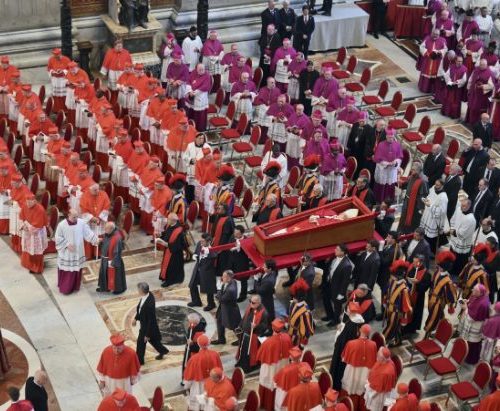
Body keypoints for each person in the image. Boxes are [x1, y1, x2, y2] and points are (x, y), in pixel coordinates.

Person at [55, 208, 98, 294]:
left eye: (77, 216)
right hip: (67, 252)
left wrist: (95, 239)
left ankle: (75, 286)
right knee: (67, 269)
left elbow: (88, 233)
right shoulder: (62, 225)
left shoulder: (81, 223)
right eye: (74, 217)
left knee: (76, 268)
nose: (76, 219)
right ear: (69, 215)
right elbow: (57, 237)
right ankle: (65, 288)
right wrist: (66, 244)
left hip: (78, 250)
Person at [256, 318, 293, 411]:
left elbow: (260, 357)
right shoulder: (287, 337)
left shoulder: (267, 342)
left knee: (268, 379)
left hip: (271, 367)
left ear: (272, 328)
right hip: (283, 366)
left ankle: (268, 404)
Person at [329, 301, 367, 390]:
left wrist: (339, 331)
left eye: (348, 309)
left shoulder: (351, 324)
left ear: (351, 312)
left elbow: (341, 340)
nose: (347, 311)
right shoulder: (361, 322)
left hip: (346, 353)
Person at [183, 334, 223, 411]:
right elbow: (220, 371)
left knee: (199, 405)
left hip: (198, 386)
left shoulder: (194, 359)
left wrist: (187, 386)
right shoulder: (215, 354)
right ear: (209, 343)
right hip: (213, 384)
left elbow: (189, 377)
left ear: (198, 344)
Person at [133, 282, 169, 365]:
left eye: (138, 289)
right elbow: (140, 309)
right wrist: (136, 318)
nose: (137, 291)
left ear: (141, 291)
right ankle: (163, 351)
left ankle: (139, 361)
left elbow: (151, 320)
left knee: (140, 343)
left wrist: (147, 334)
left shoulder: (149, 304)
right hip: (145, 324)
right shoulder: (148, 295)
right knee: (154, 341)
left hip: (147, 327)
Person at [341, 324, 377, 405]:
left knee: (351, 381)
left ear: (360, 330)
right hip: (365, 371)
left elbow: (344, 359)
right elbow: (374, 360)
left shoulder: (351, 343)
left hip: (353, 369)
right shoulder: (373, 344)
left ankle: (351, 392)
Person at [424, 250, 457, 336]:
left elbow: (450, 295)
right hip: (431, 297)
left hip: (438, 302)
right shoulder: (437, 272)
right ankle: (440, 327)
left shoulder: (447, 280)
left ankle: (430, 331)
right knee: (437, 315)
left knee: (433, 317)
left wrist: (450, 306)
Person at [236, 294, 269, 373]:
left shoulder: (264, 313)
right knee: (243, 349)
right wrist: (240, 326)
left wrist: (256, 326)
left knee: (251, 353)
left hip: (254, 336)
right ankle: (241, 362)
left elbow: (265, 326)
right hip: (245, 333)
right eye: (250, 301)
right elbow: (245, 317)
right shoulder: (250, 307)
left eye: (253, 302)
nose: (251, 303)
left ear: (258, 303)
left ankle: (250, 366)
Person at [459, 283, 491, 364]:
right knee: (467, 342)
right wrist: (467, 302)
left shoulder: (483, 304)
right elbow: (472, 302)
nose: (472, 290)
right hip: (469, 325)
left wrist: (465, 308)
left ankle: (470, 360)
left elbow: (473, 318)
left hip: (476, 326)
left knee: (472, 344)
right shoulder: (476, 295)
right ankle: (463, 354)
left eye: (475, 290)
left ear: (480, 293)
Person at [322, 244, 353, 327]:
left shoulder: (347, 265)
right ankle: (330, 315)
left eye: (337, 249)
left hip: (337, 288)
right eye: (336, 248)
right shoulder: (334, 258)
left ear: (343, 252)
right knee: (326, 299)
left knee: (337, 306)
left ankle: (336, 320)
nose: (335, 250)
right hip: (330, 284)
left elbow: (345, 281)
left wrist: (341, 293)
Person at [383, 260, 413, 347]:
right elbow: (386, 293)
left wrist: (404, 317)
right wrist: (385, 301)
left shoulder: (404, 289)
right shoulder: (392, 282)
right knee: (395, 326)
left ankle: (383, 340)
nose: (391, 276)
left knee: (391, 327)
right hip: (390, 308)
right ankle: (398, 340)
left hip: (396, 311)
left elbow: (405, 305)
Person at [403, 255, 431, 335]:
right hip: (408, 293)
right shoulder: (412, 267)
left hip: (418, 297)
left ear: (420, 263)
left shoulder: (426, 273)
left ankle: (412, 329)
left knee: (415, 313)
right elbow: (407, 276)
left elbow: (425, 288)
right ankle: (405, 325)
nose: (413, 263)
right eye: (413, 261)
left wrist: (417, 283)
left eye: (415, 262)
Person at [19, 194, 48, 274]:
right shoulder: (25, 205)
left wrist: (27, 228)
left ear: (34, 201)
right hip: (27, 230)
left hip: (37, 232)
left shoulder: (40, 209)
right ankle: (27, 263)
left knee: (35, 250)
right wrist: (23, 226)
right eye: (27, 202)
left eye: (29, 202)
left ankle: (36, 267)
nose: (27, 204)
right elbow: (21, 217)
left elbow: (38, 225)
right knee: (28, 248)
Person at [373, 128, 403, 203]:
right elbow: (377, 159)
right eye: (389, 137)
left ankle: (388, 201)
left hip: (392, 170)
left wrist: (395, 162)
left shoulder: (397, 145)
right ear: (386, 136)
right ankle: (379, 200)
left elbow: (399, 157)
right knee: (381, 186)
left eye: (392, 137)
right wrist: (387, 163)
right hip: (383, 170)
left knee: (390, 186)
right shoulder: (381, 145)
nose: (391, 139)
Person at [398, 162, 429, 234]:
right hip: (407, 200)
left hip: (415, 205)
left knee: (411, 220)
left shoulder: (423, 181)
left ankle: (408, 234)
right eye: (412, 169)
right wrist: (401, 184)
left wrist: (420, 208)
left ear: (418, 171)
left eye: (414, 170)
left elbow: (423, 195)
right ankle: (400, 231)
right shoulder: (412, 176)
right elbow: (407, 184)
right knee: (403, 216)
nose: (411, 171)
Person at [449, 199, 477, 277]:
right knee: (451, 258)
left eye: (464, 206)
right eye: (461, 205)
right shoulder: (458, 209)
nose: (461, 207)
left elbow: (462, 234)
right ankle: (450, 271)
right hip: (454, 240)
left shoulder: (471, 219)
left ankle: (458, 275)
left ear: (469, 206)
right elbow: (453, 219)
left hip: (462, 244)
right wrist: (452, 228)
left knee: (459, 262)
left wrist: (452, 232)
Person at [189, 233, 217, 311]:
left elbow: (214, 257)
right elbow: (197, 251)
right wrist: (195, 255)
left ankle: (211, 304)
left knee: (208, 289)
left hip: (207, 271)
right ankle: (196, 301)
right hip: (197, 269)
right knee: (192, 285)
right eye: (201, 241)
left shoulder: (212, 251)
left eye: (203, 241)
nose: (201, 243)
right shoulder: (199, 243)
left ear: (209, 242)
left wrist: (208, 252)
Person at [157, 212, 186, 288]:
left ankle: (169, 281)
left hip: (175, 254)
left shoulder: (179, 230)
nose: (167, 220)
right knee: (166, 265)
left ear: (173, 220)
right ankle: (164, 277)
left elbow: (179, 244)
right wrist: (161, 235)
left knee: (171, 267)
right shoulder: (170, 225)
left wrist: (165, 244)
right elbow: (167, 234)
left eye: (168, 219)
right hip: (169, 250)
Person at [213, 270, 242, 345]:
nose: (222, 278)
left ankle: (241, 340)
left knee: (234, 326)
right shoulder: (231, 281)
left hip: (230, 311)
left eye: (224, 276)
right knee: (219, 321)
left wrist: (219, 289)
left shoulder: (230, 290)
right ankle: (221, 339)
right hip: (223, 308)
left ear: (229, 278)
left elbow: (221, 299)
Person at [97, 222, 126, 294]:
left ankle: (118, 289)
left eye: (106, 228)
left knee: (115, 276)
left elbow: (117, 252)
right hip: (105, 259)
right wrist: (100, 242)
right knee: (104, 274)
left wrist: (113, 263)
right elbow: (106, 244)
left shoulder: (117, 238)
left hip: (113, 260)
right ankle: (105, 287)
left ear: (111, 229)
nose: (104, 229)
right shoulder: (108, 234)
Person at [364, 347, 397, 411]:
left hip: (378, 395)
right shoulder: (388, 361)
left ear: (383, 359)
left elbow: (377, 390)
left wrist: (367, 386)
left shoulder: (385, 373)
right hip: (377, 387)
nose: (376, 356)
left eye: (378, 356)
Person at [420, 178, 448, 253]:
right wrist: (425, 200)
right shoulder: (433, 189)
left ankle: (430, 253)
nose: (435, 186)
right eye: (435, 184)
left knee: (431, 239)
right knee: (425, 235)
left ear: (442, 186)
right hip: (427, 217)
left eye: (438, 185)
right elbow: (429, 197)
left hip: (433, 221)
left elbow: (441, 212)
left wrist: (430, 205)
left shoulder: (443, 197)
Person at [466, 59, 495, 124]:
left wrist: (483, 86)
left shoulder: (490, 73)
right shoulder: (476, 70)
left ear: (486, 65)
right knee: (471, 107)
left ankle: (477, 124)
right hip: (473, 93)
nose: (481, 66)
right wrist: (469, 88)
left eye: (483, 65)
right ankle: (470, 121)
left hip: (481, 96)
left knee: (478, 109)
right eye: (480, 65)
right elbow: (471, 79)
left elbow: (491, 86)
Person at [289, 278, 315, 347]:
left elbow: (308, 329)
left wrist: (302, 344)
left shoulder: (306, 312)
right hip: (291, 334)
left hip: (298, 338)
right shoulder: (293, 304)